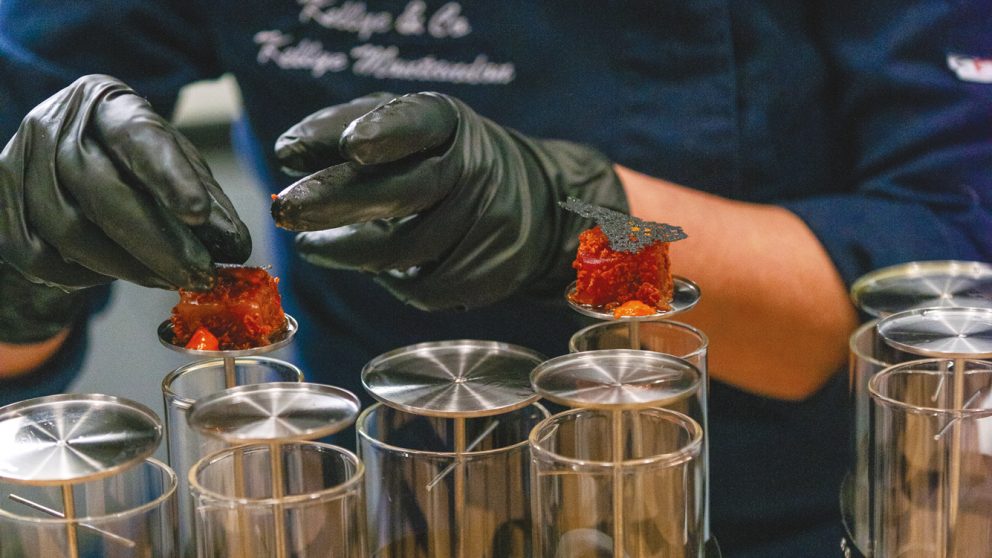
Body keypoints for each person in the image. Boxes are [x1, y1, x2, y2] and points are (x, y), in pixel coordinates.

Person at [1, 2, 989, 556]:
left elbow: (937, 297)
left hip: (789, 518)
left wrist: (583, 233)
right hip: (373, 503)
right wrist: (19, 265)